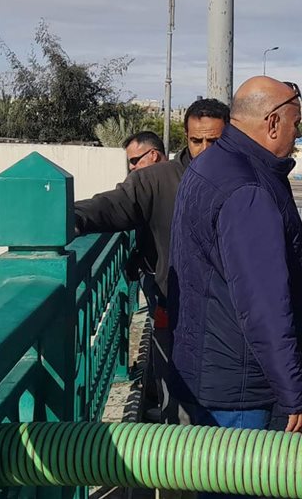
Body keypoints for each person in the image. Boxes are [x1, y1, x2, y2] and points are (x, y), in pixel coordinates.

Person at [167, 77, 302, 436]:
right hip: (238, 387)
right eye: (295, 123)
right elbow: (263, 303)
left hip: (208, 370)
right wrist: (293, 389)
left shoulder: (211, 164)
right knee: (235, 469)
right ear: (273, 122)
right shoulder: (248, 188)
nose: (297, 134)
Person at [73, 98, 229, 423]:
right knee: (180, 414)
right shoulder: (157, 180)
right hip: (177, 316)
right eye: (196, 140)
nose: (204, 150)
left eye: (214, 141)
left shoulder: (243, 179)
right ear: (185, 137)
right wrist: (69, 217)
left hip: (231, 326)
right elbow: (116, 204)